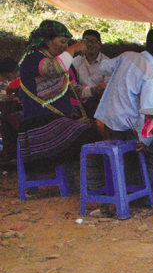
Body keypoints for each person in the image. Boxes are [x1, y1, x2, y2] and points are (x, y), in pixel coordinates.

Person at [18, 20, 101, 171]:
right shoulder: (33, 58)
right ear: (48, 42)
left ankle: (94, 183)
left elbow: (74, 90)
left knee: (97, 130)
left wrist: (94, 90)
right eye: (62, 42)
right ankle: (93, 185)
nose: (65, 46)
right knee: (91, 135)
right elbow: (54, 68)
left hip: (58, 120)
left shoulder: (58, 63)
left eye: (67, 43)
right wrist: (73, 49)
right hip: (40, 124)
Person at [95, 27, 153, 181]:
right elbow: (149, 113)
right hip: (127, 126)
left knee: (134, 150)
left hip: (108, 122)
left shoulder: (127, 56)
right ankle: (142, 193)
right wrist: (144, 140)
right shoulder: (151, 75)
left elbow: (104, 67)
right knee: (151, 146)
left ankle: (129, 187)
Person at [71, 29, 110, 118]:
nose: (89, 45)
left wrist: (98, 90)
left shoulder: (107, 63)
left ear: (100, 44)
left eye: (93, 42)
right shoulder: (76, 61)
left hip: (99, 102)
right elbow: (73, 87)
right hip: (80, 101)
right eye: (86, 41)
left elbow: (108, 87)